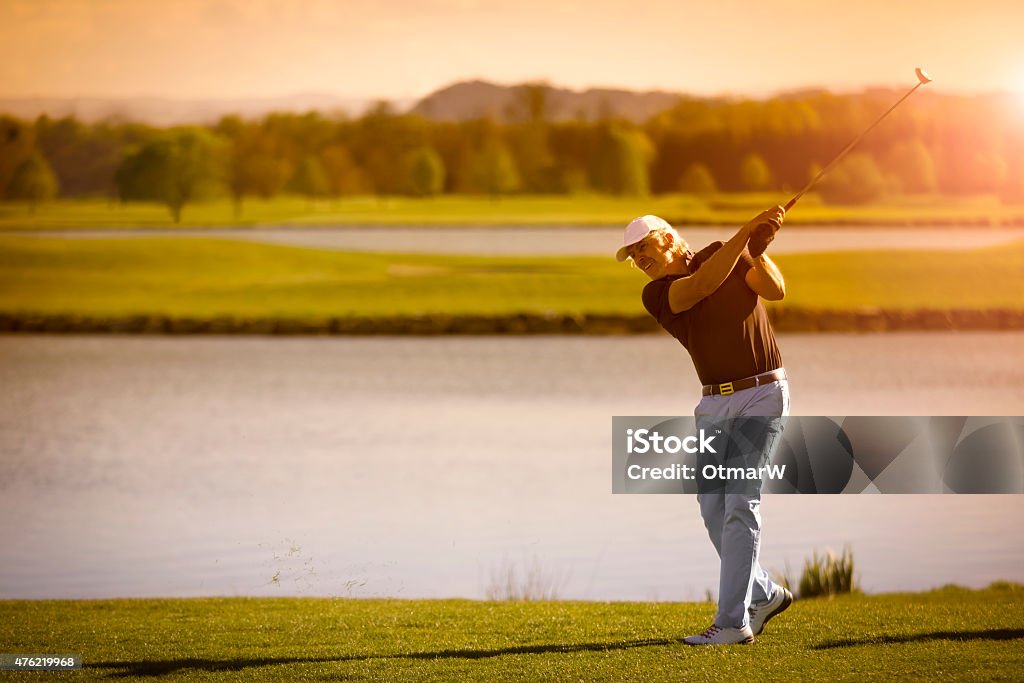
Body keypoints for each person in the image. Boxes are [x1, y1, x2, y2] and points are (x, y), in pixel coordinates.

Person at [616, 208, 794, 645]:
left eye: (644, 247)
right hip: (714, 404)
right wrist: (745, 236)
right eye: (633, 255)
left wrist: (758, 250)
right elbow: (701, 286)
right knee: (712, 508)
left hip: (761, 394)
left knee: (739, 504)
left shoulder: (723, 254)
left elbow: (775, 289)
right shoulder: (657, 294)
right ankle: (764, 593)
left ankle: (733, 623)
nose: (640, 259)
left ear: (670, 239)